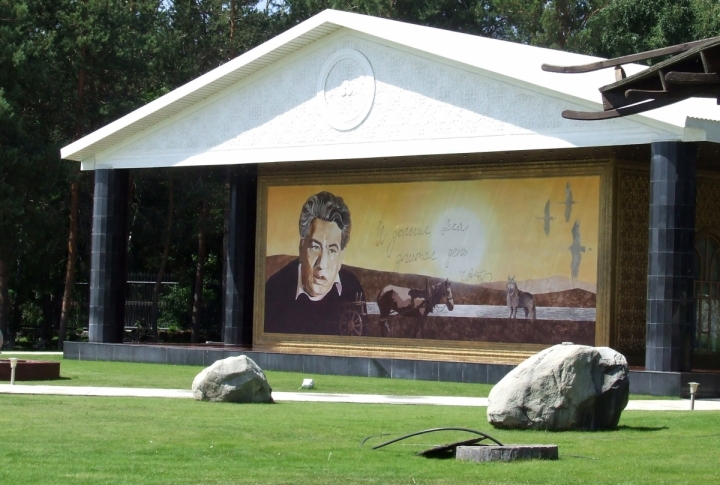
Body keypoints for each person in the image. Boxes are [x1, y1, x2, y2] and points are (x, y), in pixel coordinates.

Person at [264, 191, 365, 335]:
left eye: (332, 250)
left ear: (341, 256)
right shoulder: (274, 290)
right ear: (301, 248)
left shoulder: (353, 288)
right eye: (315, 247)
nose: (322, 264)